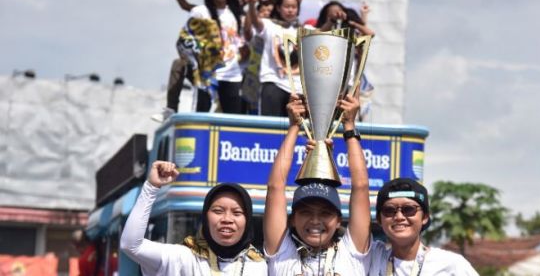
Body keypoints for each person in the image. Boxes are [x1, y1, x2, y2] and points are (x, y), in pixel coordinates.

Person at [263, 92, 370, 275]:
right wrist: (294, 127)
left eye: (325, 213)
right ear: (292, 220)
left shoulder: (352, 253)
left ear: (338, 221)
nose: (315, 220)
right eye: (305, 212)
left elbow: (361, 186)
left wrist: (349, 125)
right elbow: (275, 187)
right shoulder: (282, 253)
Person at [120, 161, 266, 275]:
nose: (227, 219)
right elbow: (131, 245)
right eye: (218, 211)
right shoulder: (183, 258)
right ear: (205, 217)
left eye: (237, 213)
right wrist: (151, 187)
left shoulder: (259, 266)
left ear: (247, 221)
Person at [367, 178, 479, 276]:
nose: (399, 216)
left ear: (424, 217)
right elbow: (360, 186)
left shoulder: (451, 264)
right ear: (379, 219)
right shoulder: (372, 259)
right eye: (389, 210)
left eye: (409, 209)